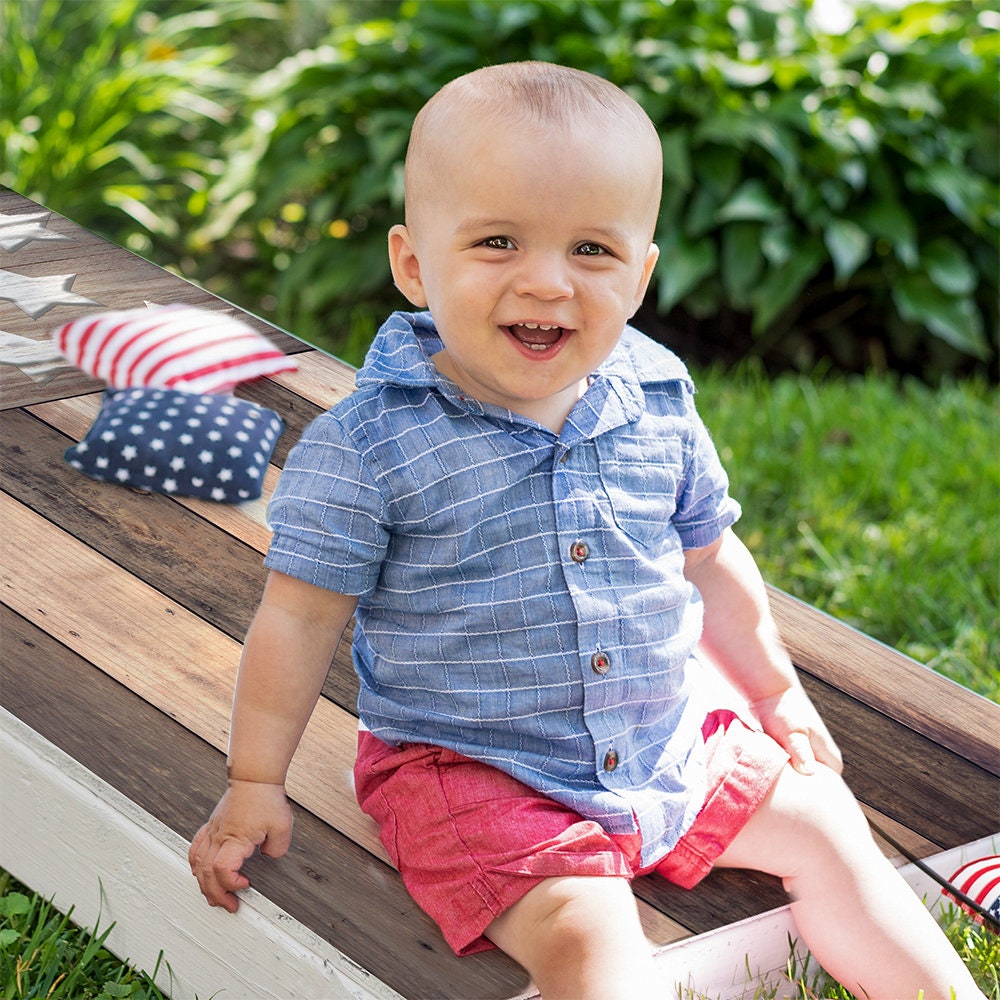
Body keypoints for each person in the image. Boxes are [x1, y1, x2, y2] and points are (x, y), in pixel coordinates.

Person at [189, 62, 983, 1000]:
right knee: (589, 940)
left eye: (593, 251)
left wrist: (776, 691)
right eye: (496, 240)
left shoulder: (657, 398)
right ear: (413, 264)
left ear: (641, 275)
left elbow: (709, 554)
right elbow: (299, 617)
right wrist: (254, 781)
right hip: (478, 769)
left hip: (662, 740)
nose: (548, 281)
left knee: (827, 824)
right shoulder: (372, 445)